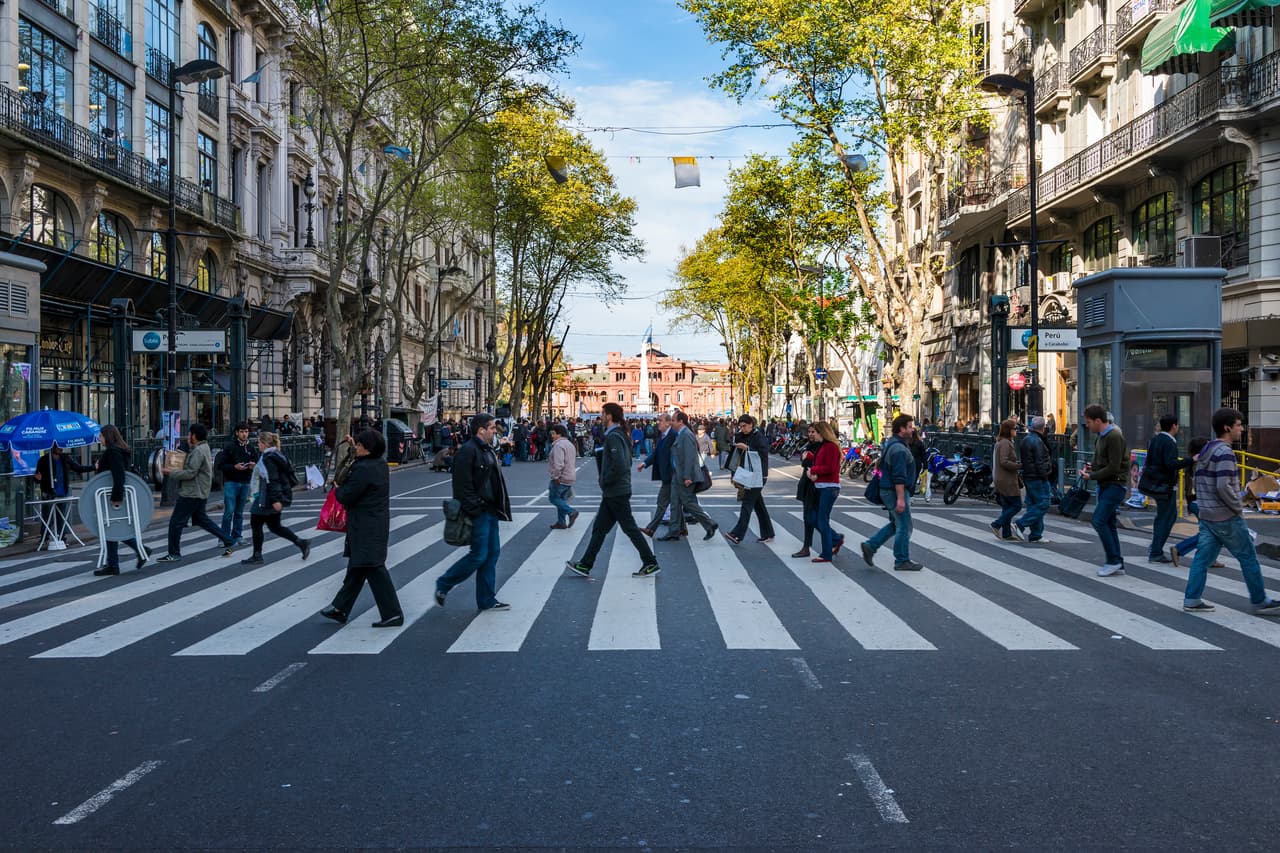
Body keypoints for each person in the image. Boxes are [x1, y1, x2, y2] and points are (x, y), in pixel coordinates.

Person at [1182, 408, 1280, 615]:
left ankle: (1192, 598)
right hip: (1225, 516)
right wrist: (1237, 506)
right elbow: (1223, 486)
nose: (1242, 429)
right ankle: (1260, 600)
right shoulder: (1225, 452)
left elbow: (1200, 479)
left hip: (1208, 514)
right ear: (1227, 427)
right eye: (1238, 425)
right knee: (1248, 557)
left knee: (1202, 558)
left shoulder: (1207, 449)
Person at [566, 402, 660, 578]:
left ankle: (650, 562)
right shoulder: (620, 435)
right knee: (600, 528)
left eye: (603, 414)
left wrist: (604, 478)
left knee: (629, 528)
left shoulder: (614, 437)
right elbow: (627, 461)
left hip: (616, 490)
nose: (601, 417)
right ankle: (585, 564)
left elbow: (621, 464)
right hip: (615, 490)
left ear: (609, 416)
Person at [321, 430, 404, 627]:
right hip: (373, 522)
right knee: (358, 567)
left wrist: (338, 489)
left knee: (373, 567)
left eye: (358, 445)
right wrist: (351, 450)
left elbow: (347, 495)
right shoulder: (379, 465)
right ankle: (340, 608)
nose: (356, 448)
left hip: (365, 524)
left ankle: (393, 613)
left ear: (368, 448)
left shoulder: (364, 469)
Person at [435, 414, 513, 611]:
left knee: (491, 554)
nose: (495, 431)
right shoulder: (468, 451)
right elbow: (462, 486)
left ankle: (486, 599)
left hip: (490, 510)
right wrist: (475, 508)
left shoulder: (485, 449)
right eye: (493, 428)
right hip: (480, 511)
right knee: (479, 555)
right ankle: (444, 583)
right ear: (481, 430)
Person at [158, 423, 237, 562]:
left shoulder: (198, 451)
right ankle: (228, 540)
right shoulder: (203, 448)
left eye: (189, 434)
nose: (188, 437)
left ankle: (174, 553)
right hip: (200, 491)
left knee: (176, 522)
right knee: (202, 520)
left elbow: (190, 473)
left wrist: (171, 472)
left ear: (194, 436)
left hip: (191, 492)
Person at [860, 414, 922, 571]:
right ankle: (901, 560)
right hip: (894, 491)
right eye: (909, 426)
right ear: (902, 429)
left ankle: (871, 545)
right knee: (905, 526)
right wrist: (901, 498)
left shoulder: (892, 443)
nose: (912, 429)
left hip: (888, 490)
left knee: (896, 524)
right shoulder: (899, 449)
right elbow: (899, 477)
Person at [240, 431, 310, 565]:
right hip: (272, 496)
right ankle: (301, 542)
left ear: (265, 443)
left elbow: (273, 480)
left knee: (256, 523)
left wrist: (276, 500)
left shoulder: (268, 457)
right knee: (275, 526)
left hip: (267, 497)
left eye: (259, 443)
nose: (258, 445)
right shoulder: (276, 454)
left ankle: (257, 555)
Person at [91, 425, 147, 576]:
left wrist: (117, 497)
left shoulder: (113, 451)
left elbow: (118, 474)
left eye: (101, 436)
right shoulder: (119, 450)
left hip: (112, 494)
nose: (99, 439)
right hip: (114, 492)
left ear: (107, 437)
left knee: (110, 527)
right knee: (113, 526)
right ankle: (134, 553)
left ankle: (115, 563)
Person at [1080, 403, 1128, 577]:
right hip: (1107, 485)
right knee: (1108, 523)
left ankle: (1113, 561)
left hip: (1114, 485)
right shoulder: (1101, 435)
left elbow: (1114, 467)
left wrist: (1091, 476)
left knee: (1099, 521)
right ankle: (1117, 561)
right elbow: (1103, 462)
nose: (1087, 425)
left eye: (1089, 422)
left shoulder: (1114, 436)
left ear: (1098, 420)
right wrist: (1091, 468)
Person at [1140, 414, 1188, 563]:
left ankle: (1155, 547)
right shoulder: (1169, 442)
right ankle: (1156, 550)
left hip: (1155, 485)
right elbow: (1170, 464)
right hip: (1164, 486)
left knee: (1164, 516)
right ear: (1174, 425)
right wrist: (1189, 460)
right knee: (1167, 517)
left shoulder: (1155, 439)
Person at [724, 414, 775, 544]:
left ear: (751, 424)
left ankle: (737, 534)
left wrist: (747, 448)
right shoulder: (741, 436)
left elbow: (763, 453)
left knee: (747, 503)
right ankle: (768, 533)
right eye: (740, 426)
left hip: (758, 475)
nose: (742, 429)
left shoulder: (758, 437)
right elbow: (735, 455)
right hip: (746, 473)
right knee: (758, 505)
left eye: (744, 426)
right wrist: (733, 473)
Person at [669, 410, 718, 541]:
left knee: (688, 503)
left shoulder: (686, 435)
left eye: (673, 420)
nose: (671, 423)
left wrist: (687, 477)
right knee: (674, 502)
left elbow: (690, 458)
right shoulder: (681, 434)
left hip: (685, 475)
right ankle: (674, 530)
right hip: (678, 474)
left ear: (681, 421)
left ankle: (709, 524)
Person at [807, 421, 845, 563]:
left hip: (829, 487)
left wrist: (813, 470)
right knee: (812, 518)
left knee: (822, 520)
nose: (812, 435)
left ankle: (826, 553)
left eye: (814, 432)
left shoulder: (831, 447)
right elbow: (820, 461)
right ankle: (835, 539)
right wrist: (811, 458)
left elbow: (829, 467)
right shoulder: (823, 446)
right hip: (821, 486)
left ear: (821, 432)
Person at [1014, 416, 1055, 543]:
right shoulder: (1037, 441)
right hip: (1038, 477)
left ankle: (1036, 534)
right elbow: (1040, 462)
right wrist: (1045, 476)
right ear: (1043, 427)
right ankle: (1020, 524)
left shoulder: (1026, 439)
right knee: (1043, 503)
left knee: (1034, 504)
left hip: (1029, 476)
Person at [638, 413, 679, 538]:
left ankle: (651, 529)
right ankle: (682, 528)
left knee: (662, 502)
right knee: (679, 503)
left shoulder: (673, 435)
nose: (658, 423)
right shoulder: (663, 435)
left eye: (660, 421)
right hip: (668, 475)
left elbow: (678, 456)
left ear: (668, 423)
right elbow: (656, 454)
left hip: (672, 475)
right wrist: (644, 463)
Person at [219, 422, 258, 547]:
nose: (244, 434)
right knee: (229, 511)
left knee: (240, 512)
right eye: (242, 431)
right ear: (237, 433)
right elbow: (221, 465)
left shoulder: (250, 448)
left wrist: (253, 466)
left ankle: (237, 535)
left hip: (245, 481)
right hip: (231, 482)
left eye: (246, 431)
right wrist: (234, 467)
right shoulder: (230, 446)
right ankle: (224, 537)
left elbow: (257, 463)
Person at [790, 425, 824, 558]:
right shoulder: (810, 445)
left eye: (813, 432)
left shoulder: (823, 447)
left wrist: (808, 459)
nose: (810, 434)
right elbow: (805, 463)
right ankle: (807, 546)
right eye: (809, 432)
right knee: (808, 517)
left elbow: (812, 464)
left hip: (816, 485)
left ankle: (834, 538)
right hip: (807, 483)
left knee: (811, 517)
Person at [990, 419, 1023, 541]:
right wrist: (1019, 465)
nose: (1016, 431)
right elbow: (1004, 461)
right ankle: (997, 524)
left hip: (1002, 478)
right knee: (1016, 505)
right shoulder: (1005, 443)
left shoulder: (1002, 442)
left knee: (1007, 506)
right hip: (1006, 479)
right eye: (1015, 429)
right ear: (1009, 430)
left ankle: (1007, 533)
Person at [547, 423, 579, 530]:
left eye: (553, 433)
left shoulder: (558, 445)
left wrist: (556, 477)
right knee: (561, 499)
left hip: (561, 477)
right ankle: (561, 522)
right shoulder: (570, 444)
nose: (552, 436)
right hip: (570, 476)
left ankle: (571, 512)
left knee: (554, 498)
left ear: (559, 434)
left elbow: (558, 464)